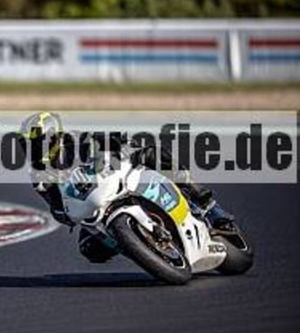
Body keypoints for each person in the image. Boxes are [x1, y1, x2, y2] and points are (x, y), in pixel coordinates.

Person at [19, 112, 235, 263]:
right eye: (26, 145)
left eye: (36, 143)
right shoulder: (40, 176)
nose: (32, 150)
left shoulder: (76, 140)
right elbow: (58, 210)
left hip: (115, 178)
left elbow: (109, 140)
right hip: (93, 208)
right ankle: (142, 246)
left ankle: (205, 203)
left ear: (52, 136)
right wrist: (66, 212)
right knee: (89, 249)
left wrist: (118, 143)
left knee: (153, 154)